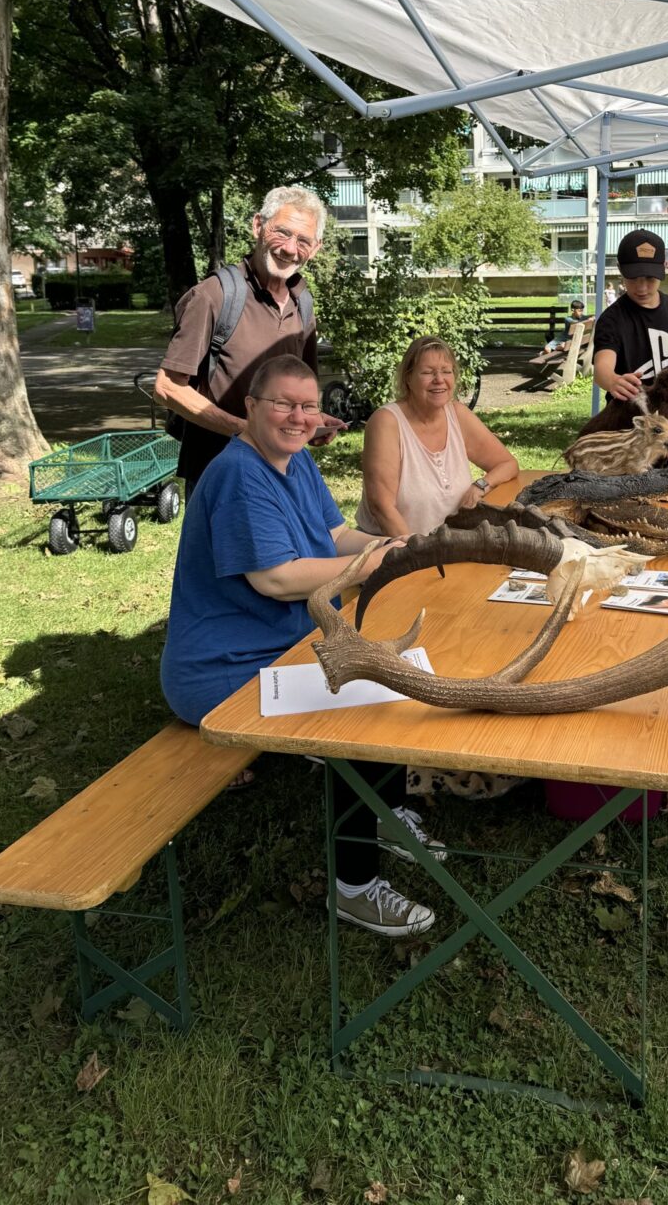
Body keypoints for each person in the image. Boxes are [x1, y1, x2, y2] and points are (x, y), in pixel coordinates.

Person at [160, 354, 443, 939]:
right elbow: (277, 578)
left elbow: (336, 534)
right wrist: (376, 561)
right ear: (251, 408)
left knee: (384, 674)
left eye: (308, 406)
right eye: (283, 404)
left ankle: (386, 815)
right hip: (225, 671)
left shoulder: (296, 461)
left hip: (285, 647)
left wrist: (402, 544)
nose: (297, 416)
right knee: (364, 709)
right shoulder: (240, 474)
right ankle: (356, 889)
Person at [155, 185, 342, 497]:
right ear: (258, 225)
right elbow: (167, 387)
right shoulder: (214, 296)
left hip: (283, 471)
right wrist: (249, 432)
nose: (290, 249)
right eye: (282, 232)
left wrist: (311, 421)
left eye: (303, 241)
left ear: (317, 247)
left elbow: (298, 392)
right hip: (219, 473)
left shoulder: (303, 303)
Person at [358, 336, 519, 538]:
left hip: (448, 546)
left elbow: (507, 464)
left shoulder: (457, 414)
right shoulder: (386, 422)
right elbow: (381, 507)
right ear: (408, 378)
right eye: (427, 372)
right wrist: (418, 557)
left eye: (446, 371)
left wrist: (480, 486)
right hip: (394, 551)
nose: (439, 380)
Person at [591, 230, 668, 401]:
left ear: (664, 267)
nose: (642, 288)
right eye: (632, 278)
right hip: (630, 416)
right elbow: (602, 368)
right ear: (620, 269)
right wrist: (613, 380)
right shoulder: (611, 319)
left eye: (650, 278)